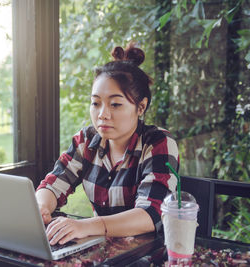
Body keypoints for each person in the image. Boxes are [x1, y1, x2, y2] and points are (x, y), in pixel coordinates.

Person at [35, 42, 179, 246]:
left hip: (147, 254)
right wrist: (41, 207)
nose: (102, 114)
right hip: (102, 252)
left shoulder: (158, 143)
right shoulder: (86, 141)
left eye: (116, 104)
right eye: (95, 103)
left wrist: (85, 226)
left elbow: (150, 213)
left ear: (141, 107)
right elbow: (54, 184)